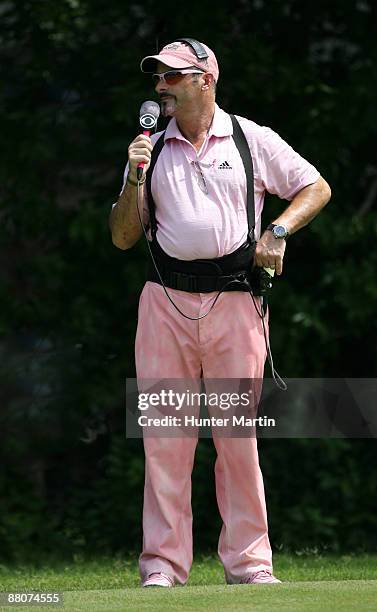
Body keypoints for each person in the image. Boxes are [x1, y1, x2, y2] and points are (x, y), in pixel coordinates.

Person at [109, 39, 331, 588]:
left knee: (237, 440)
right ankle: (162, 568)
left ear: (204, 80)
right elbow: (122, 237)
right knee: (165, 439)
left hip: (237, 303)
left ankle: (251, 566)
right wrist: (134, 175)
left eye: (172, 77)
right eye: (157, 77)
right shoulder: (149, 147)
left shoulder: (251, 138)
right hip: (164, 301)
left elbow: (315, 186)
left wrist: (278, 230)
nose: (160, 85)